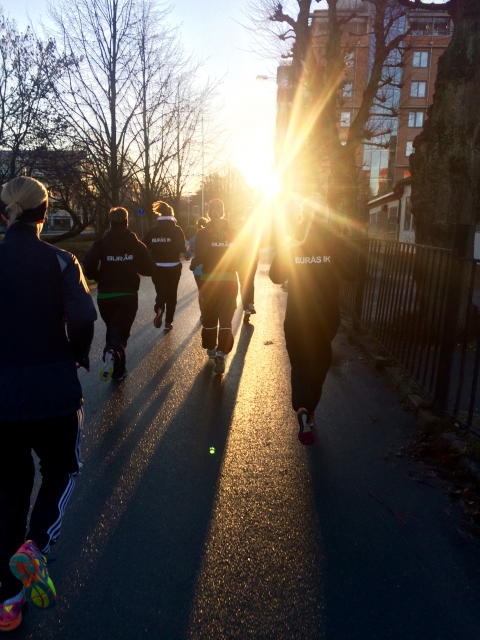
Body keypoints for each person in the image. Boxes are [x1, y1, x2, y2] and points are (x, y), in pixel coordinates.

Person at [0, 176, 97, 631]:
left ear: (6, 214)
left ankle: (8, 603)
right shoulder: (61, 260)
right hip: (55, 392)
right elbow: (81, 317)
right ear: (43, 213)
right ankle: (36, 548)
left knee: (9, 489)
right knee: (62, 470)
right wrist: (75, 355)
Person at [269, 196, 354, 445]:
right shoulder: (334, 244)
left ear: (302, 217)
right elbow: (352, 273)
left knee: (300, 363)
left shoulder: (293, 245)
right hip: (325, 317)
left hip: (297, 316)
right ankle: (310, 409)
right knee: (320, 361)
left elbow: (275, 275)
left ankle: (303, 409)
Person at [83, 206, 153, 381]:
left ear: (110, 223)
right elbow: (151, 268)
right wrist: (135, 269)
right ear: (127, 222)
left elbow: (88, 264)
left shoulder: (101, 243)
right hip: (127, 295)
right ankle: (111, 352)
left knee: (114, 329)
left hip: (105, 296)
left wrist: (98, 276)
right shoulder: (136, 244)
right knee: (120, 333)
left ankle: (118, 372)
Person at [191, 199, 238, 374]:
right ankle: (221, 352)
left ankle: (211, 348)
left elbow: (201, 256)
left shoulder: (203, 234)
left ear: (208, 212)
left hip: (209, 281)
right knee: (226, 318)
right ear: (223, 211)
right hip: (229, 281)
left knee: (209, 315)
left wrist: (193, 263)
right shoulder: (232, 232)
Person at [142, 201, 186, 331]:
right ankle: (168, 322)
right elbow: (182, 248)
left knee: (160, 291)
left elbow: (143, 247)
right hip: (174, 266)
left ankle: (159, 307)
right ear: (172, 215)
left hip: (157, 266)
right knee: (172, 294)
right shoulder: (177, 230)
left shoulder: (153, 231)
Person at [236, 206, 259, 322]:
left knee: (243, 282)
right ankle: (250, 303)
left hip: (241, 259)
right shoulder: (257, 227)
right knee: (250, 281)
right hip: (253, 258)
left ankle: (246, 308)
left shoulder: (240, 226)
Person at [189, 217, 208, 319]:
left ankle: (203, 313)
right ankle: (210, 311)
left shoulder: (193, 239)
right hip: (209, 268)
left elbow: (190, 251)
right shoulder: (211, 237)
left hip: (197, 269)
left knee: (201, 291)